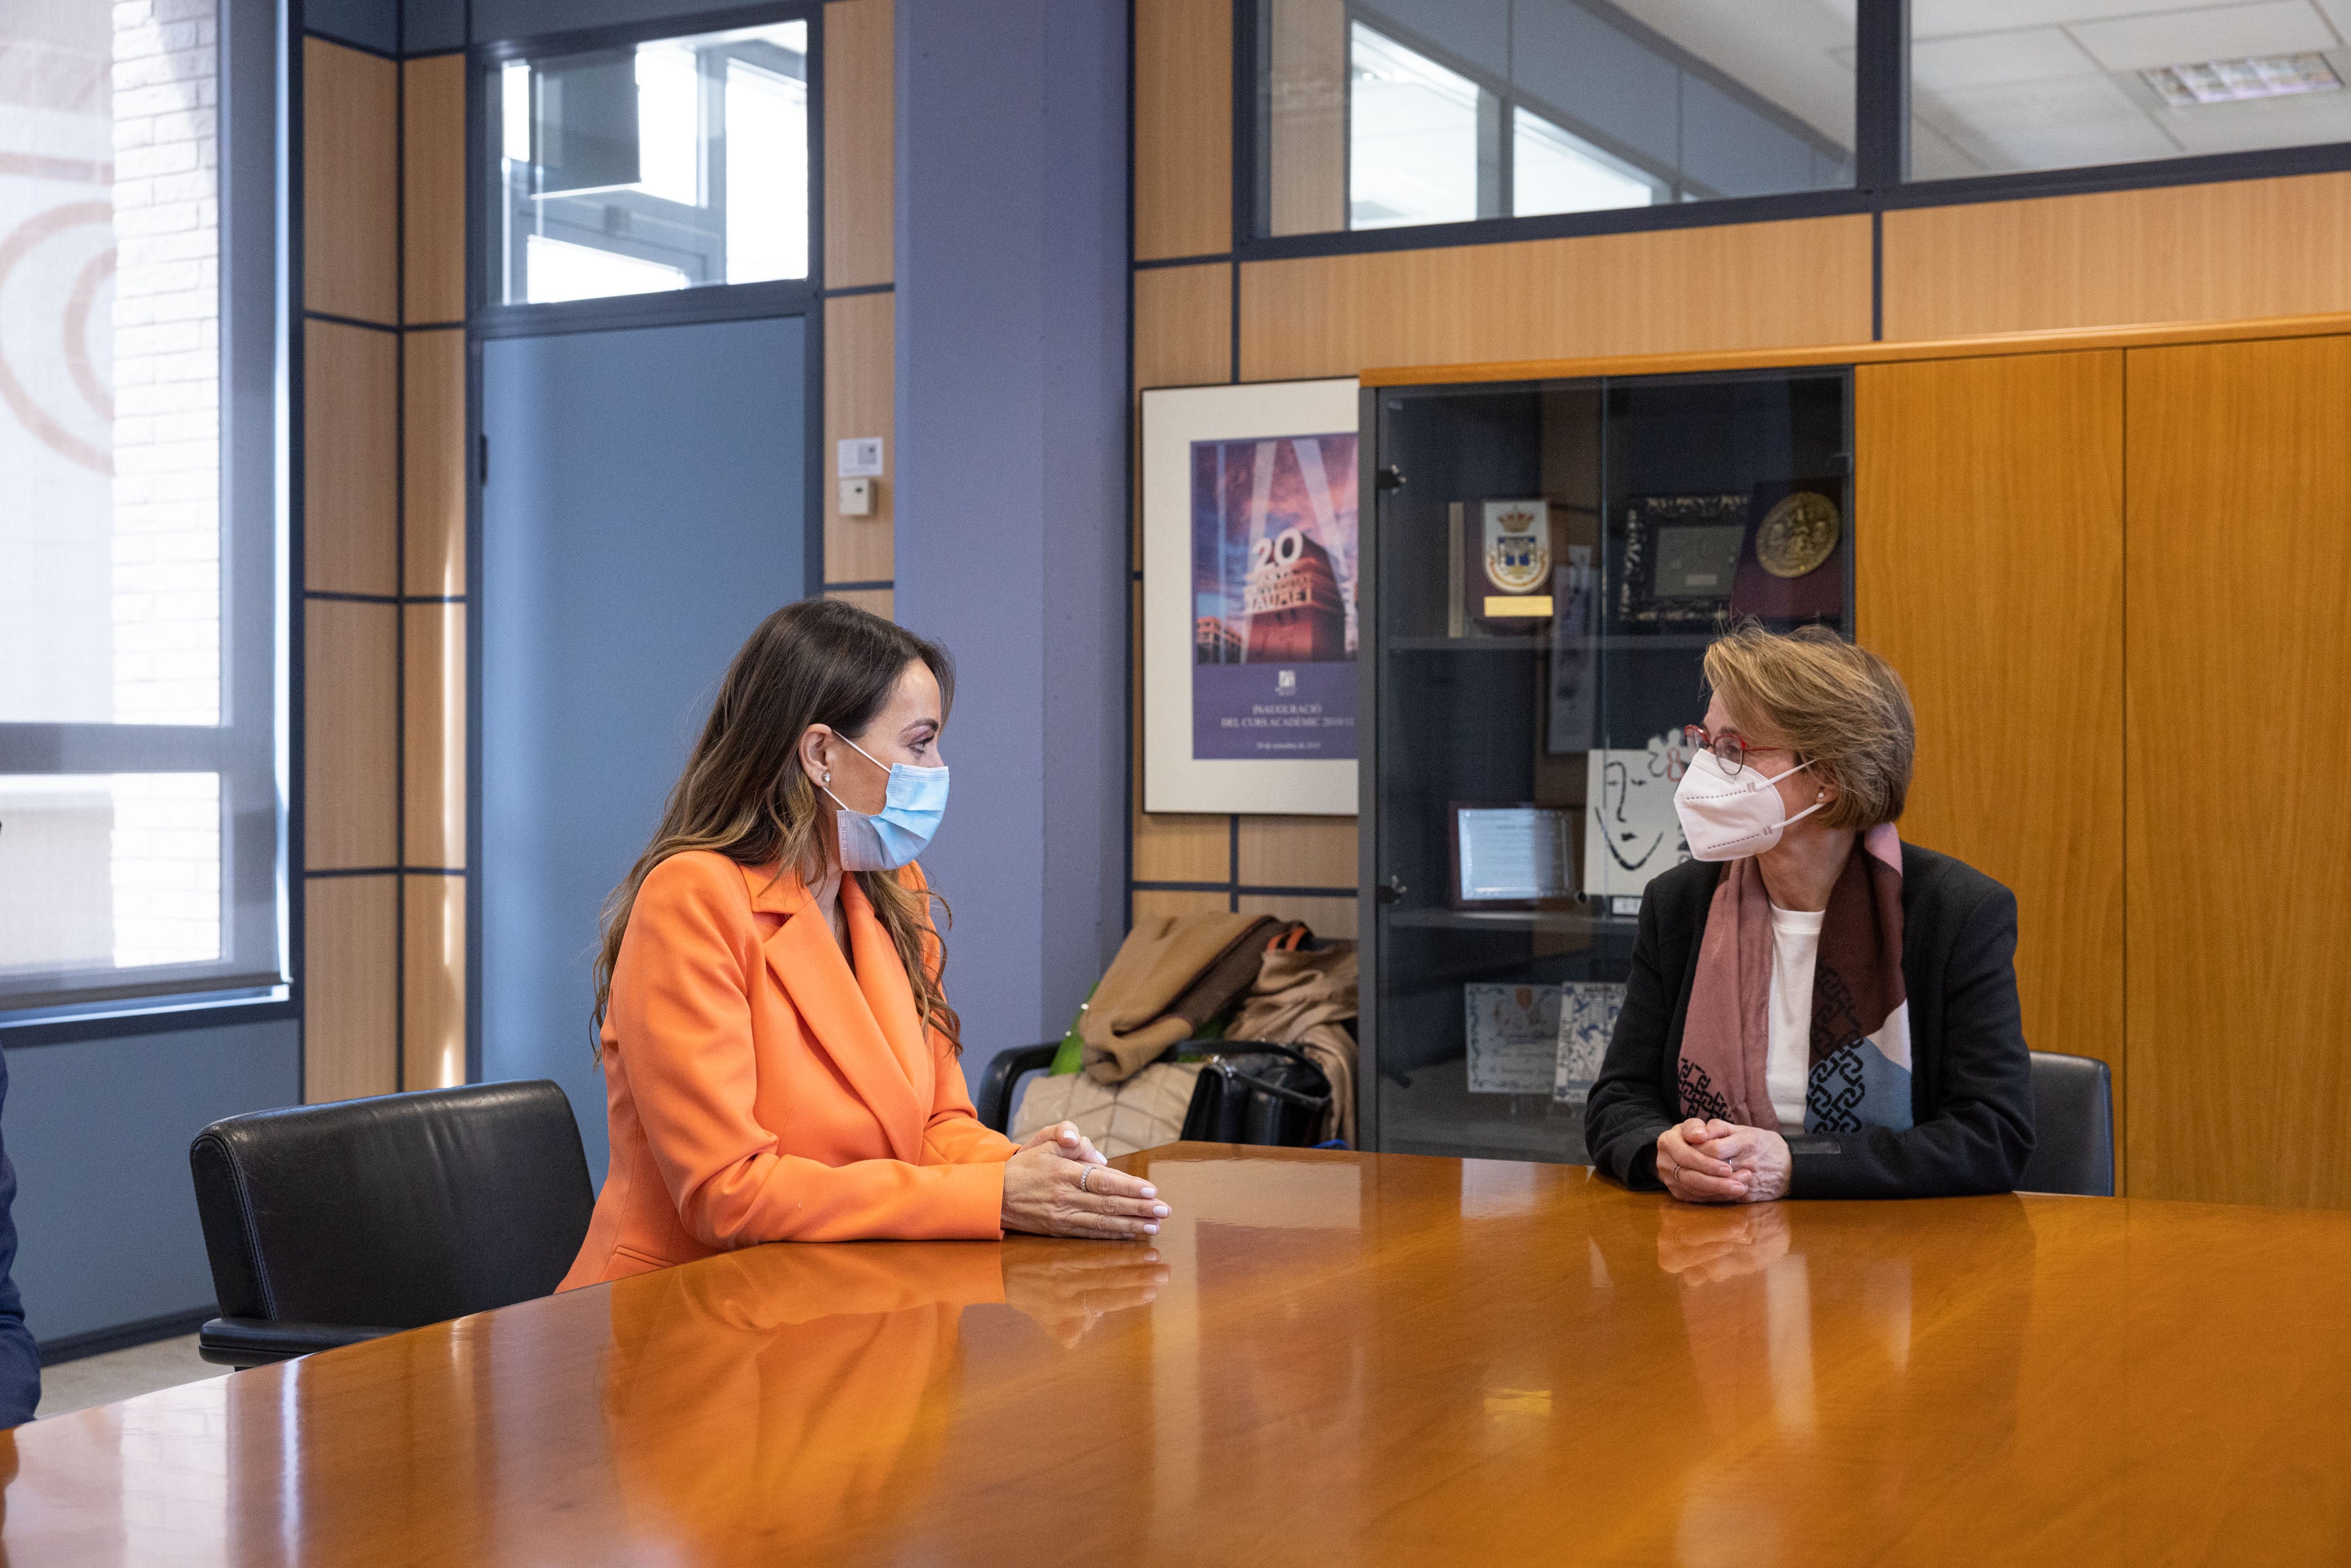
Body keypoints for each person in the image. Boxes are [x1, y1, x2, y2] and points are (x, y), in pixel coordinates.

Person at [559, 601, 1168, 1290]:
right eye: (918, 743)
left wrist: (1027, 1171)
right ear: (821, 753)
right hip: (688, 1312)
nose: (937, 767)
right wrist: (990, 1197)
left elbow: (933, 1124)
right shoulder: (693, 897)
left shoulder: (892, 889)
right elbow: (726, 1193)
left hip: (842, 1296)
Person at [1582, 622, 2033, 1203]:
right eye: (1705, 742)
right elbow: (1617, 1102)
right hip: (1711, 1252)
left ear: (1827, 777)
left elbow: (1992, 1137)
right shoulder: (1680, 904)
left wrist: (1796, 1164)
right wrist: (1661, 1150)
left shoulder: (1956, 912)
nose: (1703, 771)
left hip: (1897, 1259)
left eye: (1733, 750)